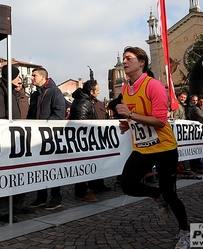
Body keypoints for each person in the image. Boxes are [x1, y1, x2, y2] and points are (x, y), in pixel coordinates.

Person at [114, 46, 190, 249]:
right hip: (142, 148)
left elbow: (159, 122)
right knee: (128, 184)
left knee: (171, 195)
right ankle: (157, 195)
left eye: (129, 58)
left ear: (141, 63)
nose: (124, 62)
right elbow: (137, 115)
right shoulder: (124, 89)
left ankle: (185, 232)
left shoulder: (153, 85)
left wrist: (130, 116)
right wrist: (127, 123)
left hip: (164, 147)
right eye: (123, 58)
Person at [0, 65, 31, 222]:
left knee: (21, 173)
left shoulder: (13, 93)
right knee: (7, 175)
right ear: (10, 77)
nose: (19, 79)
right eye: (16, 76)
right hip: (7, 141)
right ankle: (3, 210)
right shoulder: (0, 93)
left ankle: (19, 204)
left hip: (18, 139)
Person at [27, 68, 66, 210]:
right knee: (40, 168)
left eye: (34, 75)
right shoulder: (35, 94)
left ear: (43, 77)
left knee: (53, 168)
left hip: (50, 137)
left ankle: (56, 198)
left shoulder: (55, 92)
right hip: (37, 138)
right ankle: (41, 197)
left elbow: (59, 113)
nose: (31, 78)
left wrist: (44, 128)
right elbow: (31, 115)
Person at [69, 80, 99, 202]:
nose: (99, 92)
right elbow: (81, 125)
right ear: (91, 92)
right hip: (83, 141)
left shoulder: (84, 101)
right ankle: (82, 192)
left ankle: (84, 190)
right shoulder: (84, 103)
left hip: (85, 140)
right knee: (83, 165)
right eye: (97, 90)